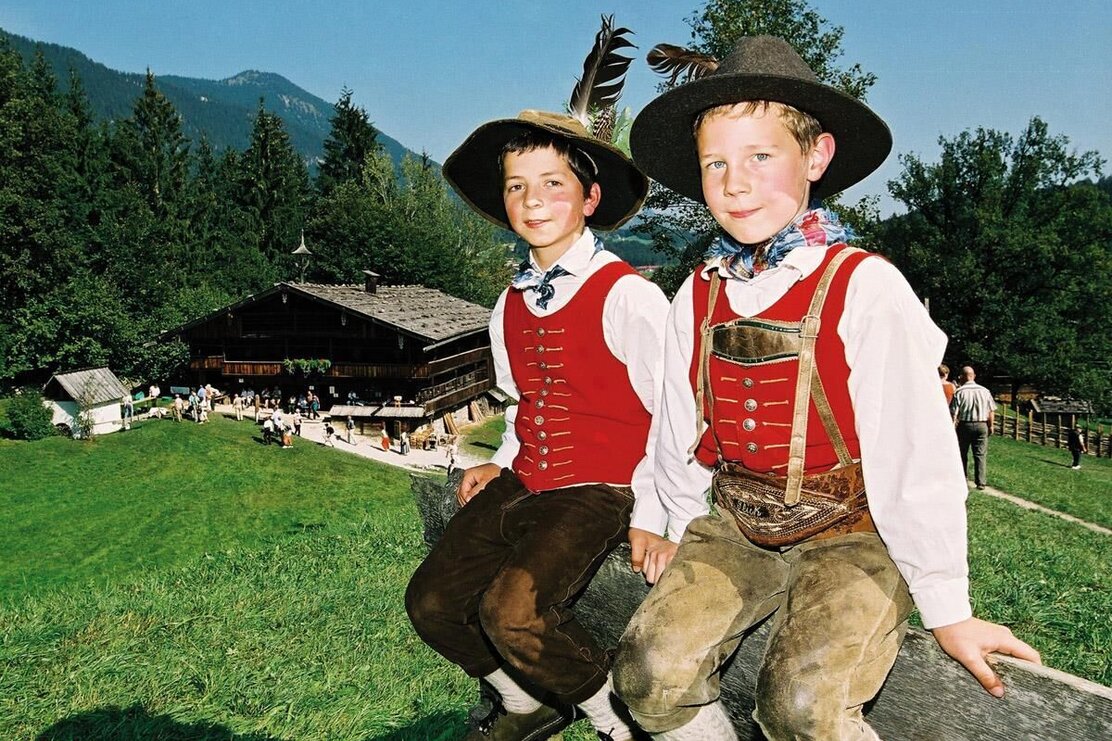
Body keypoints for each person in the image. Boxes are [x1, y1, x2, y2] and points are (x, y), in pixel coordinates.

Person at [608, 36, 1040, 740]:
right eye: (716, 163)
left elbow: (914, 455)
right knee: (647, 671)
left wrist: (947, 606)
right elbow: (676, 427)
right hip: (737, 528)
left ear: (816, 157)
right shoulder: (697, 293)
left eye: (760, 156)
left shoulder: (865, 286)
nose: (734, 183)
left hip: (854, 536)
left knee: (803, 704)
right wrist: (667, 519)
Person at [405, 108, 668, 741]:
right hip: (525, 478)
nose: (533, 200)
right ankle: (525, 701)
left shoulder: (628, 295)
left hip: (601, 486)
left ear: (590, 198)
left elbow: (673, 416)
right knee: (431, 603)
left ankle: (617, 722)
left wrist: (656, 515)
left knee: (512, 613)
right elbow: (525, 400)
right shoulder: (510, 302)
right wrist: (502, 458)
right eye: (517, 186)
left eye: (553, 183)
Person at [951, 365, 997, 490]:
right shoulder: (985, 391)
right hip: (981, 424)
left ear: (962, 377)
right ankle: (981, 482)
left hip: (964, 425)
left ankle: (963, 478)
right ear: (974, 376)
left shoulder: (959, 392)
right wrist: (991, 425)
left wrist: (953, 425)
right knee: (980, 454)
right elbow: (991, 411)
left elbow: (954, 412)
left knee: (962, 453)